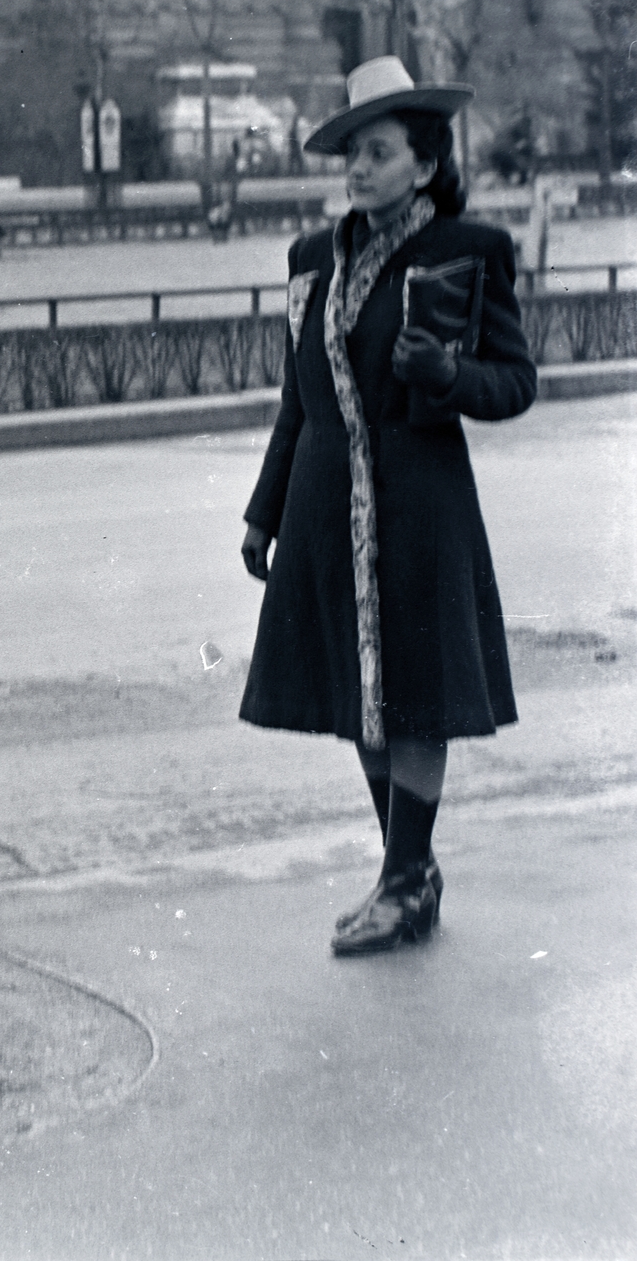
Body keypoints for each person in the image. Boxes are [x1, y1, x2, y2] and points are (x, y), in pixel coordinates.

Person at [238, 55, 537, 956]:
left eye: (376, 153)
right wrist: (264, 512)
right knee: (357, 700)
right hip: (328, 508)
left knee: (414, 698)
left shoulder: (464, 251)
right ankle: (407, 870)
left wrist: (447, 375)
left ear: (422, 160)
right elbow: (298, 399)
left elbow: (515, 381)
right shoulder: (308, 262)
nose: (357, 170)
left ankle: (404, 882)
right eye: (350, 155)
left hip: (419, 509)